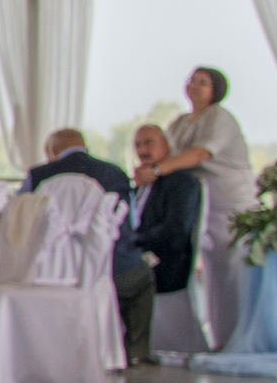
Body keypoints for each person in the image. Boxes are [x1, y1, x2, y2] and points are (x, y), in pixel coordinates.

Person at [139, 66, 255, 349]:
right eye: (192, 80)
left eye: (202, 82)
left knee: (229, 272)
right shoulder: (179, 122)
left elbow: (201, 153)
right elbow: (166, 150)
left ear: (215, 90)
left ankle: (232, 340)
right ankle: (211, 338)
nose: (194, 85)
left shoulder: (219, 117)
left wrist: (157, 169)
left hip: (230, 205)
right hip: (201, 204)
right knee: (208, 275)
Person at [24, 128, 151, 365]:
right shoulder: (115, 173)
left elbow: (21, 223)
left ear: (53, 151)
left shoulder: (37, 175)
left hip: (48, 273)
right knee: (143, 278)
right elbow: (130, 222)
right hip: (110, 268)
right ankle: (134, 350)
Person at [128, 123, 202, 333]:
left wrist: (134, 242)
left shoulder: (180, 181)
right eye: (138, 145)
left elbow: (175, 230)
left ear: (166, 144)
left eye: (149, 142)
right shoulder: (141, 185)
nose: (143, 150)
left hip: (165, 261)